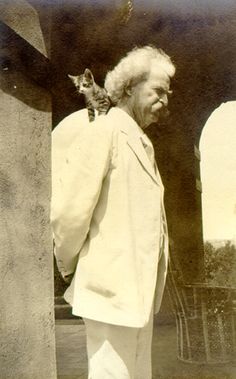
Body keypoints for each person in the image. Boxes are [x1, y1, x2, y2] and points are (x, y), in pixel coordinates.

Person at [51, 45, 175, 379]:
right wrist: (70, 265)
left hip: (137, 294)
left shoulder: (139, 140)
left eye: (169, 92)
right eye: (158, 90)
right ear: (131, 87)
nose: (166, 99)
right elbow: (69, 212)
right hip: (111, 291)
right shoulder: (104, 132)